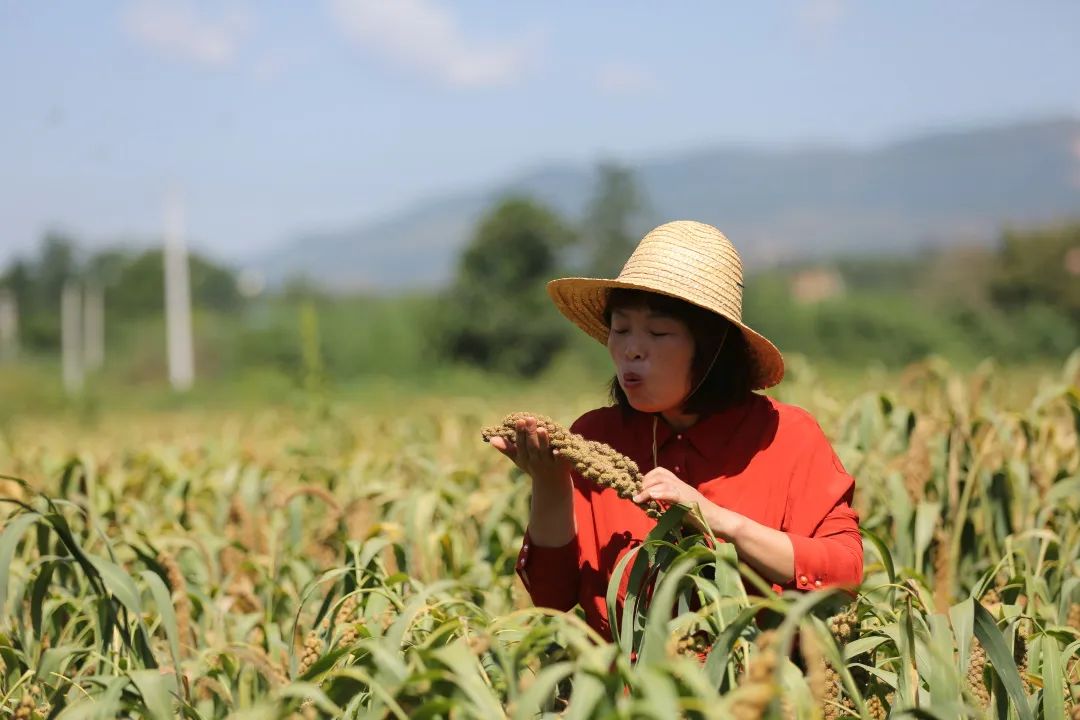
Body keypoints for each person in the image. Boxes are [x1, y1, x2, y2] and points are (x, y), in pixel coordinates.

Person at [487, 220, 863, 641]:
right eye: (620, 329)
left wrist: (716, 520)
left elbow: (844, 571)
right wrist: (551, 484)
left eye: (658, 332)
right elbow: (551, 596)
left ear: (713, 348)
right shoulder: (596, 439)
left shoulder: (786, 437)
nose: (631, 349)